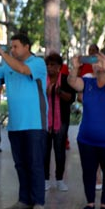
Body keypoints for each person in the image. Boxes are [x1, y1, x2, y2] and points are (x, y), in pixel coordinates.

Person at [0, 33, 47, 209]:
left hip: (34, 123)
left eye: (15, 46)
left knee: (35, 164)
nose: (12, 50)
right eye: (11, 47)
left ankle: (39, 202)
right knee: (20, 164)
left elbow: (23, 70)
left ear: (27, 46)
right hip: (15, 125)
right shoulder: (8, 66)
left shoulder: (37, 63)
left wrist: (1, 52)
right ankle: (24, 200)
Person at [67, 53, 105, 209]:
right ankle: (90, 201)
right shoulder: (87, 81)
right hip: (86, 139)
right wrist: (75, 68)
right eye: (95, 61)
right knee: (88, 171)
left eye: (103, 60)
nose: (97, 63)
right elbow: (72, 82)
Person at [43, 52, 76, 192]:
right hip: (44, 120)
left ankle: (60, 180)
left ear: (59, 67)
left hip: (61, 120)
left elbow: (71, 98)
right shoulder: (42, 79)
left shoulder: (66, 80)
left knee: (59, 150)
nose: (49, 67)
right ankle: (45, 180)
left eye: (53, 65)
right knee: (44, 151)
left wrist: (59, 92)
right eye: (48, 65)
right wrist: (47, 91)